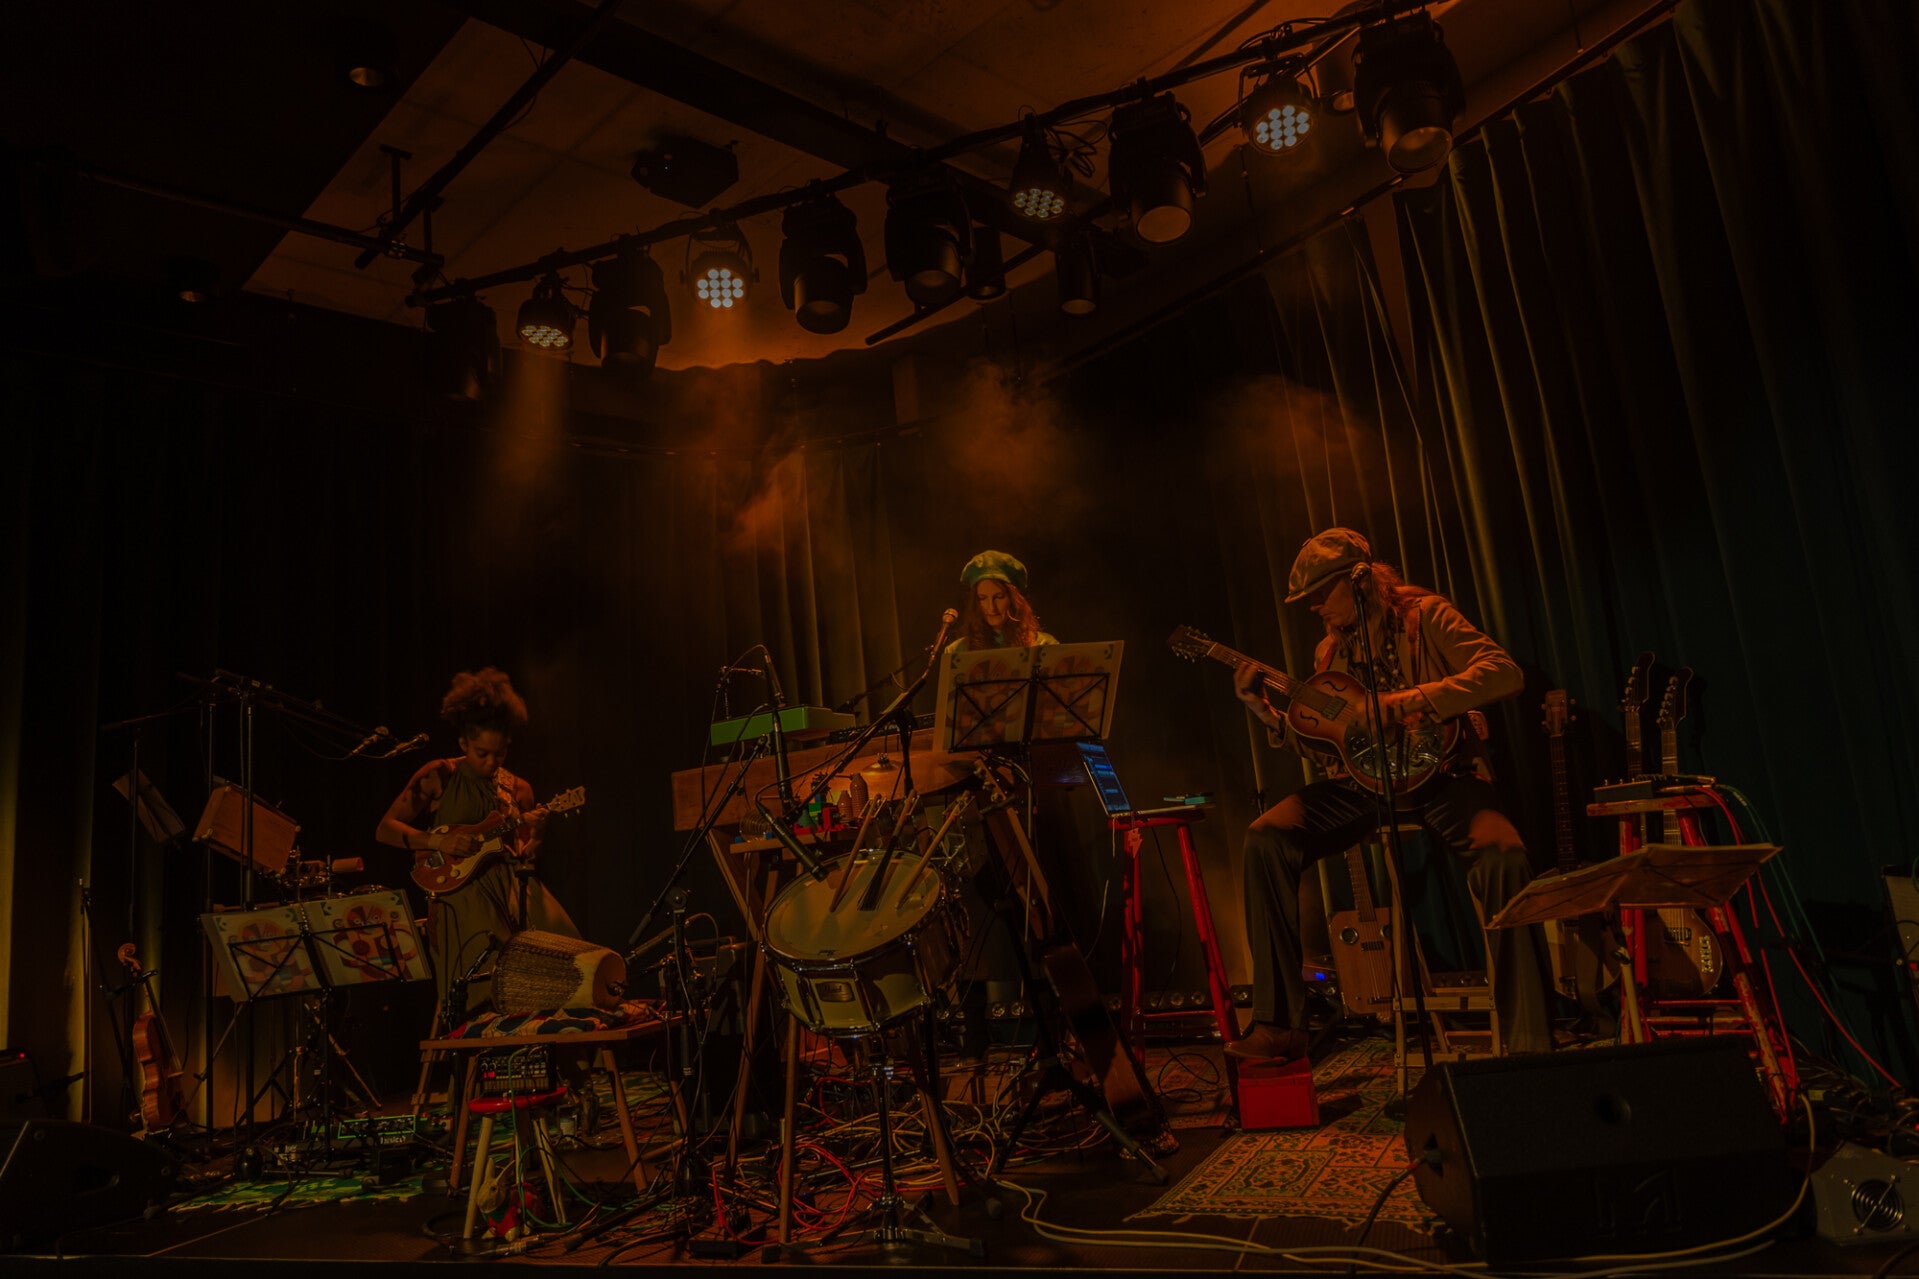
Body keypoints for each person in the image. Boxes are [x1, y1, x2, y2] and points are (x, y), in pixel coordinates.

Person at [1227, 528, 1554, 1060]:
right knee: (1266, 838)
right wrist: (1264, 711)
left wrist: (1406, 701)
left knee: (1505, 858)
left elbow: (1503, 674)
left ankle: (1530, 1043)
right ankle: (1280, 1025)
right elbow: (1332, 747)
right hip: (1366, 787)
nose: (1313, 606)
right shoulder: (1328, 652)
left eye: (1320, 592)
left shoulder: (1426, 616)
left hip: (1446, 777)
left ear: (1359, 581)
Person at [376, 667, 578, 1021]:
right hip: (461, 894)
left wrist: (537, 834)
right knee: (491, 970)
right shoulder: (439, 775)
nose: (490, 762)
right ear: (463, 744)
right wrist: (440, 840)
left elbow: (526, 857)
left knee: (567, 952)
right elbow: (385, 829)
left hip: (512, 889)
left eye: (499, 754)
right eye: (481, 753)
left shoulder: (519, 789)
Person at [951, 549, 1057, 652]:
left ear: (1014, 600)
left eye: (999, 597)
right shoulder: (957, 651)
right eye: (982, 598)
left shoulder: (1044, 645)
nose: (991, 607)